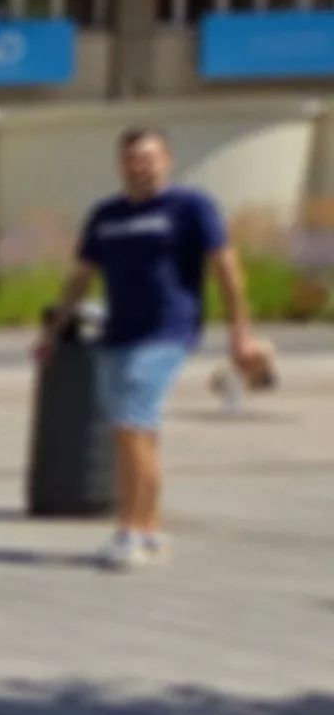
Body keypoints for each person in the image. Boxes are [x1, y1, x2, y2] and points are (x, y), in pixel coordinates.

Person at [59, 128, 265, 569]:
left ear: (167, 160)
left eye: (150, 157)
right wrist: (57, 323)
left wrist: (240, 333)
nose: (141, 166)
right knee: (132, 433)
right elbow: (81, 273)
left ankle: (128, 531)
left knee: (131, 427)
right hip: (118, 333)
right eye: (132, 158)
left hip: (167, 332)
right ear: (121, 164)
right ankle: (150, 529)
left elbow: (226, 270)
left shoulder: (190, 208)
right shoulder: (106, 215)